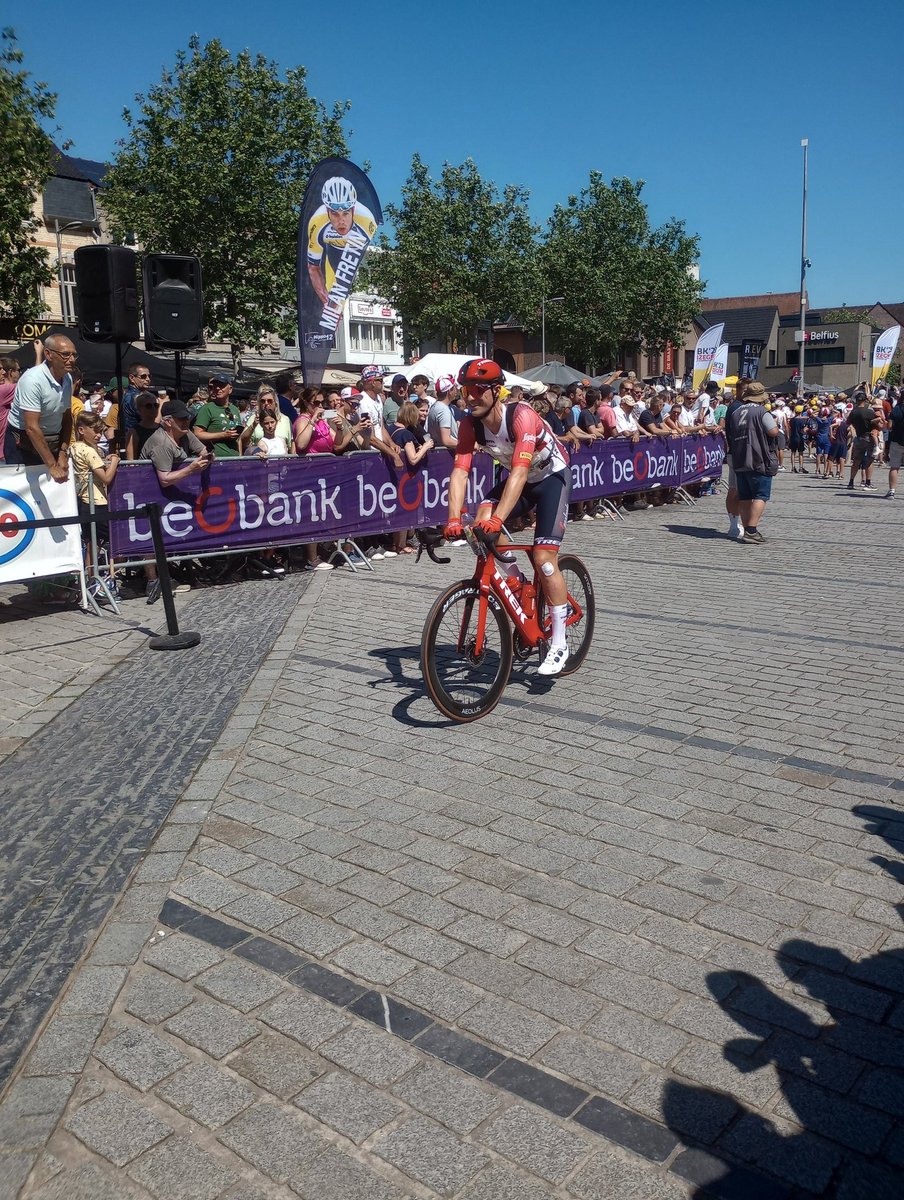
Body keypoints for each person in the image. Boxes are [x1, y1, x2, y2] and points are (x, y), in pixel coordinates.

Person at [444, 359, 572, 676]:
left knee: (544, 558)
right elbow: (459, 473)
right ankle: (515, 579)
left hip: (551, 478)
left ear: (496, 391)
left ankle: (559, 642)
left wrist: (499, 520)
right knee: (479, 523)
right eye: (465, 391)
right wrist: (452, 519)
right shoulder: (468, 424)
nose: (470, 397)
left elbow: (518, 471)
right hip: (523, 480)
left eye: (476, 390)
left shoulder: (521, 416)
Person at [5, 333, 76, 481]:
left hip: (51, 440)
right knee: (21, 495)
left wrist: (63, 453)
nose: (72, 360)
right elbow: (31, 428)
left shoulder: (68, 378)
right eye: (65, 355)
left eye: (74, 355)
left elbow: (67, 417)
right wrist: (51, 465)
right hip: (22, 443)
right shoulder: (32, 380)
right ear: (48, 354)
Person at [306, 177, 378, 319]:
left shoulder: (366, 220)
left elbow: (349, 268)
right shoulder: (317, 221)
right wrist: (327, 302)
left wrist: (337, 304)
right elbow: (313, 267)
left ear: (353, 208)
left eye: (346, 213)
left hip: (353, 250)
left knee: (338, 302)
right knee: (329, 310)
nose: (341, 221)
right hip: (330, 249)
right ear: (327, 210)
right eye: (334, 213)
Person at [724, 381, 778, 544]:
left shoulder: (735, 411)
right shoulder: (762, 412)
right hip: (758, 457)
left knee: (745, 495)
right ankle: (751, 530)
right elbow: (773, 431)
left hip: (739, 457)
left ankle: (747, 527)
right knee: (761, 495)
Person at [391, 401, 433, 555]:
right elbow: (413, 458)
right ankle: (401, 545)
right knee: (404, 509)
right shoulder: (406, 434)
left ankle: (396, 544)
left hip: (394, 475)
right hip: (406, 477)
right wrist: (426, 447)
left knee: (397, 510)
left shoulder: (390, 428)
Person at [193, 375, 242, 458]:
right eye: (215, 386)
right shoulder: (207, 409)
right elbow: (197, 434)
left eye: (222, 386)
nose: (218, 388)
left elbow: (238, 438)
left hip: (234, 459)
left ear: (230, 389)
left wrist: (240, 456)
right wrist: (223, 435)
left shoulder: (235, 409)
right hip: (216, 460)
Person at [846, 393, 881, 491]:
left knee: (856, 461)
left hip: (858, 437)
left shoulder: (853, 412)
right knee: (869, 460)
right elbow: (878, 421)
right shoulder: (869, 412)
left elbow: (848, 422)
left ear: (856, 400)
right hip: (869, 436)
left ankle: (851, 482)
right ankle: (868, 483)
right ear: (865, 400)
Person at [125, 391, 161, 460]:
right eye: (149, 406)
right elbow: (131, 460)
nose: (153, 408)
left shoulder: (163, 428)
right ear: (140, 409)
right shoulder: (134, 431)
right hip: (143, 469)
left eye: (156, 405)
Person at [121, 364, 153, 434]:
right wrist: (161, 403)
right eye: (143, 376)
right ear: (132, 378)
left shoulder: (130, 394)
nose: (148, 379)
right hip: (137, 439)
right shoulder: (136, 397)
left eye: (149, 376)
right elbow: (151, 421)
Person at [0, 356, 21, 461]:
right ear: (11, 372)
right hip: (3, 454)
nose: (3, 372)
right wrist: (39, 354)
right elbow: (31, 384)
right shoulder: (3, 391)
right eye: (0, 369)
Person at [885, 390, 904, 498]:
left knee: (894, 467)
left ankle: (892, 491)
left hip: (897, 440)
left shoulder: (896, 409)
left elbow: (889, 426)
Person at [788, 405, 809, 473]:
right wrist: (807, 429)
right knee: (800, 453)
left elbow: (790, 429)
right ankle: (800, 467)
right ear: (801, 412)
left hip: (793, 437)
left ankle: (793, 467)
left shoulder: (792, 420)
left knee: (793, 452)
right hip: (800, 438)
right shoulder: (802, 420)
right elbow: (803, 430)